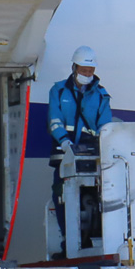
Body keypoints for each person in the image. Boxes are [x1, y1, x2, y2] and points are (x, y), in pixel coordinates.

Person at [46, 46, 113, 247]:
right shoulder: (58, 90)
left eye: (90, 71)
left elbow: (106, 125)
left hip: (90, 153)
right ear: (74, 67)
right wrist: (64, 141)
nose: (87, 74)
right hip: (63, 151)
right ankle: (69, 238)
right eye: (83, 70)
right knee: (61, 194)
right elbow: (54, 119)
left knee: (92, 196)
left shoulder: (101, 95)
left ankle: (90, 239)